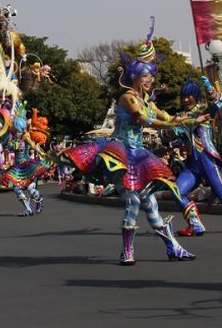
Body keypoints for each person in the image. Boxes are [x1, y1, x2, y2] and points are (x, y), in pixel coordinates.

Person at [61, 18, 195, 265]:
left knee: (151, 203)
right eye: (146, 76)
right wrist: (170, 124)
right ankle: (128, 251)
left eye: (151, 77)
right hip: (120, 154)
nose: (150, 80)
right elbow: (143, 119)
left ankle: (172, 247)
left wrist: (188, 117)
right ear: (135, 76)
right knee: (133, 200)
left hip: (139, 154)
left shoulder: (146, 100)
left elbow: (166, 115)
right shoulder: (128, 98)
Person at [171, 78, 222, 236]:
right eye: (184, 96)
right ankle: (194, 223)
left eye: (189, 96)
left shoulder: (205, 111)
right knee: (177, 191)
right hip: (192, 165)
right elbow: (180, 134)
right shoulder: (183, 117)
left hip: (207, 160)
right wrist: (175, 139)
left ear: (196, 96)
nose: (186, 99)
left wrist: (209, 87)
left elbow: (218, 101)